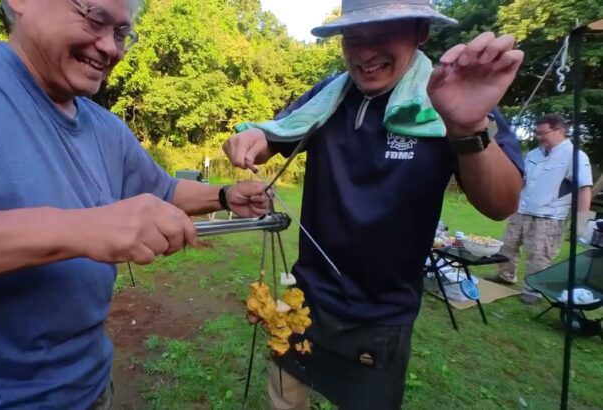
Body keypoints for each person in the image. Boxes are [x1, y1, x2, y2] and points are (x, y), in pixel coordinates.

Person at [0, 0, 270, 407]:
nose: (110, 47)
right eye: (96, 18)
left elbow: (163, 190)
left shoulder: (107, 129)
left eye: (121, 33)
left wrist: (224, 195)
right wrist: (84, 229)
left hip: (90, 393)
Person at [222, 0, 525, 408]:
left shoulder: (453, 98)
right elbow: (271, 137)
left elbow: (501, 203)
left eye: (383, 35)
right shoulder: (329, 96)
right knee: (284, 399)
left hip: (382, 314)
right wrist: (250, 140)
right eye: (354, 37)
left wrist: (466, 128)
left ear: (421, 32)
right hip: (305, 297)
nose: (365, 53)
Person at [488, 113, 593, 303]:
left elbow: (584, 188)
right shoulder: (534, 154)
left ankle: (533, 290)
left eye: (543, 133)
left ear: (560, 131)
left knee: (539, 254)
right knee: (507, 246)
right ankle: (505, 276)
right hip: (522, 209)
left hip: (549, 216)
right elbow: (522, 181)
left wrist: (582, 222)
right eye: (537, 133)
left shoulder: (575, 156)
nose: (538, 137)